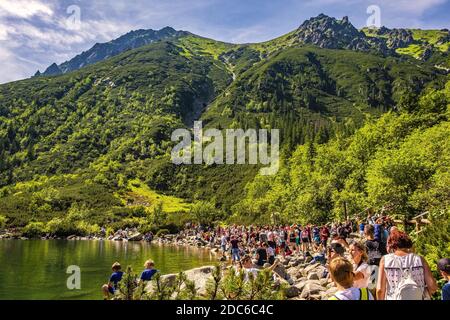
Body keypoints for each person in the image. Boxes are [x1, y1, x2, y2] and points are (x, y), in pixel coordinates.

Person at [376, 230, 438, 300]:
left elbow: (380, 290)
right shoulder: (420, 259)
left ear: (391, 243)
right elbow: (432, 287)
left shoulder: (385, 260)